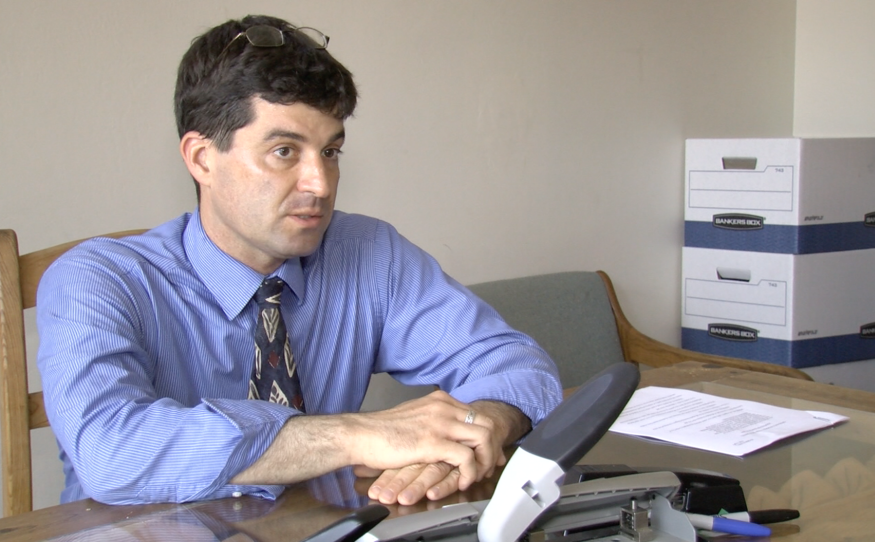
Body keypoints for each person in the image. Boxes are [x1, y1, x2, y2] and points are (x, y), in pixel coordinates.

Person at [36, 14, 562, 508]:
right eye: (285, 151)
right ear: (202, 158)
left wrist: (484, 423)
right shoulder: (97, 279)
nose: (320, 184)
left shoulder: (368, 252)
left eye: (330, 152)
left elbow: (515, 362)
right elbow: (110, 450)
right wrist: (357, 434)